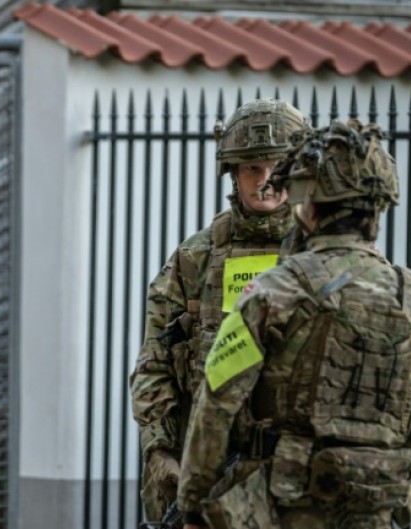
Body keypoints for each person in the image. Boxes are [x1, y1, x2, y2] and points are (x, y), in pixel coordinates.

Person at [178, 120, 411, 529]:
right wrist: (372, 447)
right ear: (377, 207)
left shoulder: (270, 294)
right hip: (379, 508)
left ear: (310, 206)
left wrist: (194, 505)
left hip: (287, 507)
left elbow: (217, 405)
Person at [129, 99, 309, 521]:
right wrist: (159, 449)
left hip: (295, 477)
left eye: (275, 167)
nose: (264, 181)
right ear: (232, 172)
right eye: (251, 169)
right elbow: (155, 362)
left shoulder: (318, 256)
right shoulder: (197, 258)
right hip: (207, 470)